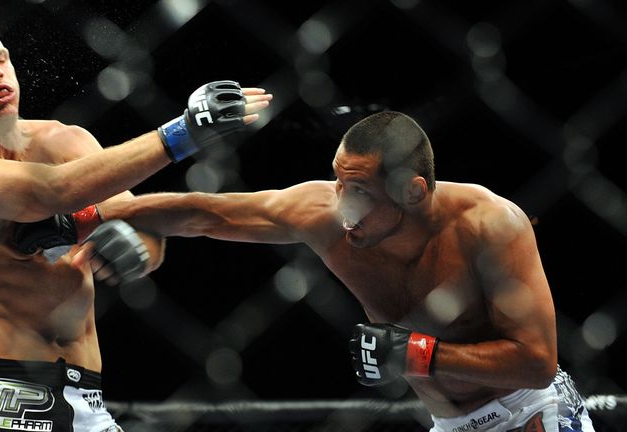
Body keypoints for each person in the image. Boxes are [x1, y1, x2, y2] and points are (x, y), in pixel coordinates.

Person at [96, 111, 595, 432]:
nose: (341, 206)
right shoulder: (322, 214)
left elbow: (536, 362)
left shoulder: (489, 226)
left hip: (530, 411)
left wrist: (419, 355)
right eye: (338, 182)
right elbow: (204, 212)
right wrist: (89, 213)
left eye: (359, 192)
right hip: (449, 424)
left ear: (413, 191)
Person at [0, 20, 272, 431]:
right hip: (4, 395)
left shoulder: (65, 141)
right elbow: (50, 192)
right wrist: (183, 132)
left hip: (88, 400)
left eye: (1, 58)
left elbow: (143, 226)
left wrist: (135, 248)